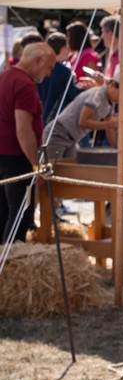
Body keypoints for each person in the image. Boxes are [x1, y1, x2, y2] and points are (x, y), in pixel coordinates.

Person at [0, 43, 56, 243]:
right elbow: (23, 130)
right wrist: (35, 165)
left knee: (4, 213)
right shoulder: (24, 84)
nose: (49, 74)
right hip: (16, 157)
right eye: (49, 67)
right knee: (20, 214)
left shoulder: (5, 76)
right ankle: (10, 263)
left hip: (4, 154)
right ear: (38, 60)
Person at [41, 69, 123, 160]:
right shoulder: (98, 95)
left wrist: (117, 148)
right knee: (51, 171)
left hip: (71, 139)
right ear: (112, 85)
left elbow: (110, 127)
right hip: (58, 134)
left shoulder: (110, 102)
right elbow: (83, 122)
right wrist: (108, 125)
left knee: (69, 171)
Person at [37, 32, 83, 123]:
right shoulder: (64, 71)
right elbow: (73, 94)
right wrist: (85, 88)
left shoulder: (39, 68)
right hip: (58, 119)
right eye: (67, 47)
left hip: (40, 116)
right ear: (62, 49)